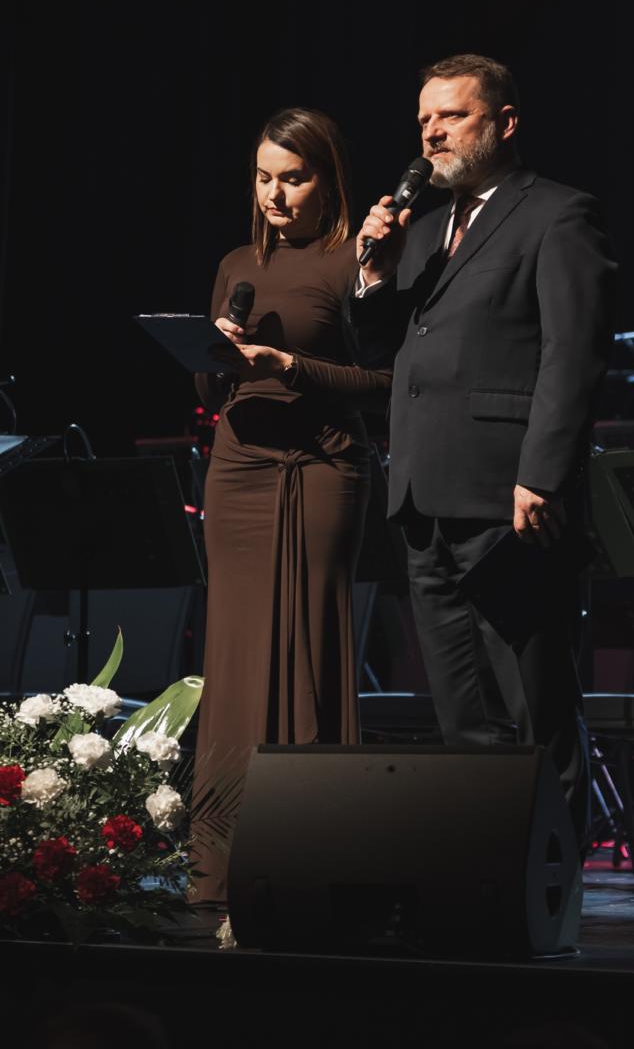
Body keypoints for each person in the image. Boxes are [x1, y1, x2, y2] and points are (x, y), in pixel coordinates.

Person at [351, 54, 616, 847]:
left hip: (507, 494)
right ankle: (481, 871)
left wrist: (542, 474)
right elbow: (385, 352)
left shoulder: (558, 214)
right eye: (424, 119)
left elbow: (573, 354)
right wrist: (374, 273)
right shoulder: (425, 229)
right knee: (461, 712)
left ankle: (553, 881)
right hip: (423, 493)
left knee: (533, 702)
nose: (432, 133)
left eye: (452, 115)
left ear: (504, 123)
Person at [192, 107, 392, 904]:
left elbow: (385, 384)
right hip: (237, 470)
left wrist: (290, 365)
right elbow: (209, 388)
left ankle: (310, 860)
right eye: (264, 178)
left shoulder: (354, 261)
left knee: (311, 645)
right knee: (235, 654)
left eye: (294, 178)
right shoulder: (236, 262)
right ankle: (219, 864)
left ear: (328, 180)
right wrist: (213, 351)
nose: (275, 195)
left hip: (320, 469)